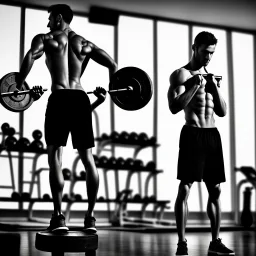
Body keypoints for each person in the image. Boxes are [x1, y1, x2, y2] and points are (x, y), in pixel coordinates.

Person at [16, 4, 118, 233]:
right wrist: (112, 89)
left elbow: (31, 55)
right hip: (80, 98)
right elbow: (112, 64)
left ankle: (58, 217)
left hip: (60, 98)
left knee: (55, 157)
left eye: (50, 18)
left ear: (59, 18)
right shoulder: (85, 44)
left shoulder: (47, 38)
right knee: (89, 159)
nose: (48, 23)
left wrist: (20, 85)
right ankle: (90, 219)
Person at [167, 31, 235, 256]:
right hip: (192, 134)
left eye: (212, 53)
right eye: (206, 52)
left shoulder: (212, 76)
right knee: (185, 188)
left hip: (212, 135)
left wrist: (213, 86)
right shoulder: (180, 74)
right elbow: (175, 107)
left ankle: (215, 242)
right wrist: (194, 86)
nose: (208, 57)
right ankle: (182, 243)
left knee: (215, 190)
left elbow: (223, 112)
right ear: (194, 47)